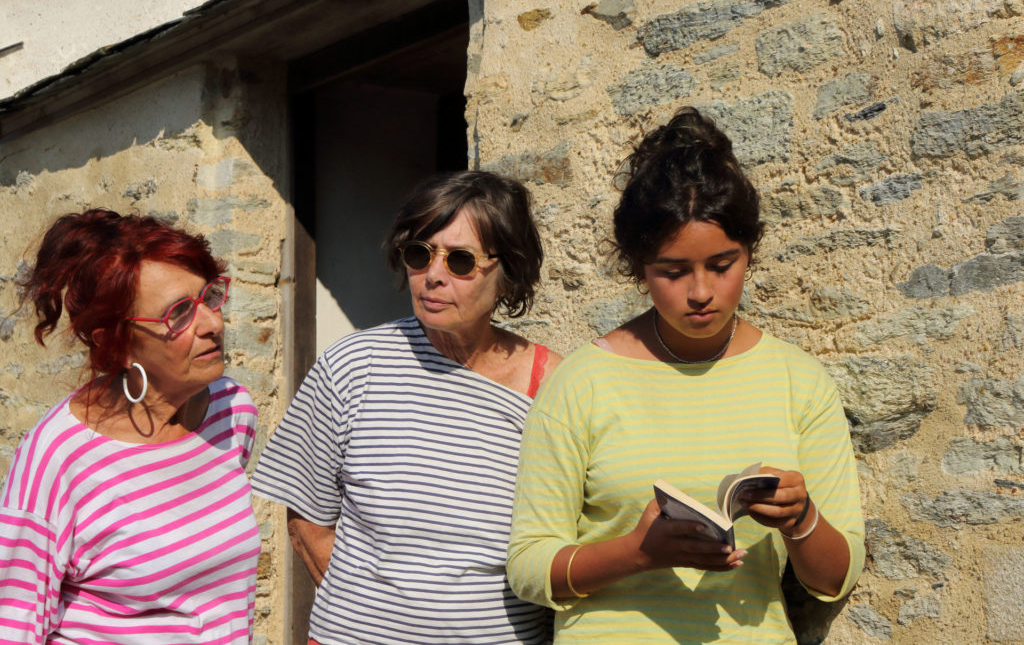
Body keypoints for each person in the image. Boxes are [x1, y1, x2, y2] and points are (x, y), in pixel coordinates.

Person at [507, 107, 864, 644]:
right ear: (638, 268)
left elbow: (835, 578)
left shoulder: (799, 380)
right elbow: (529, 567)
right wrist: (636, 554)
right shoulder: (582, 381)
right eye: (672, 272)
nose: (700, 292)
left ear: (749, 253)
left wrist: (802, 520)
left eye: (722, 265)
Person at [251, 170, 562, 644]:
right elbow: (307, 519)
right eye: (419, 254)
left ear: (508, 274)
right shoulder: (353, 366)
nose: (433, 275)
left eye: (460, 261)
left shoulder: (553, 387)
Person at [0, 209, 260, 643]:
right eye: (178, 313)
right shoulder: (59, 455)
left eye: (209, 298)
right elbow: (14, 623)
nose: (214, 323)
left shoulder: (232, 411)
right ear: (115, 344)